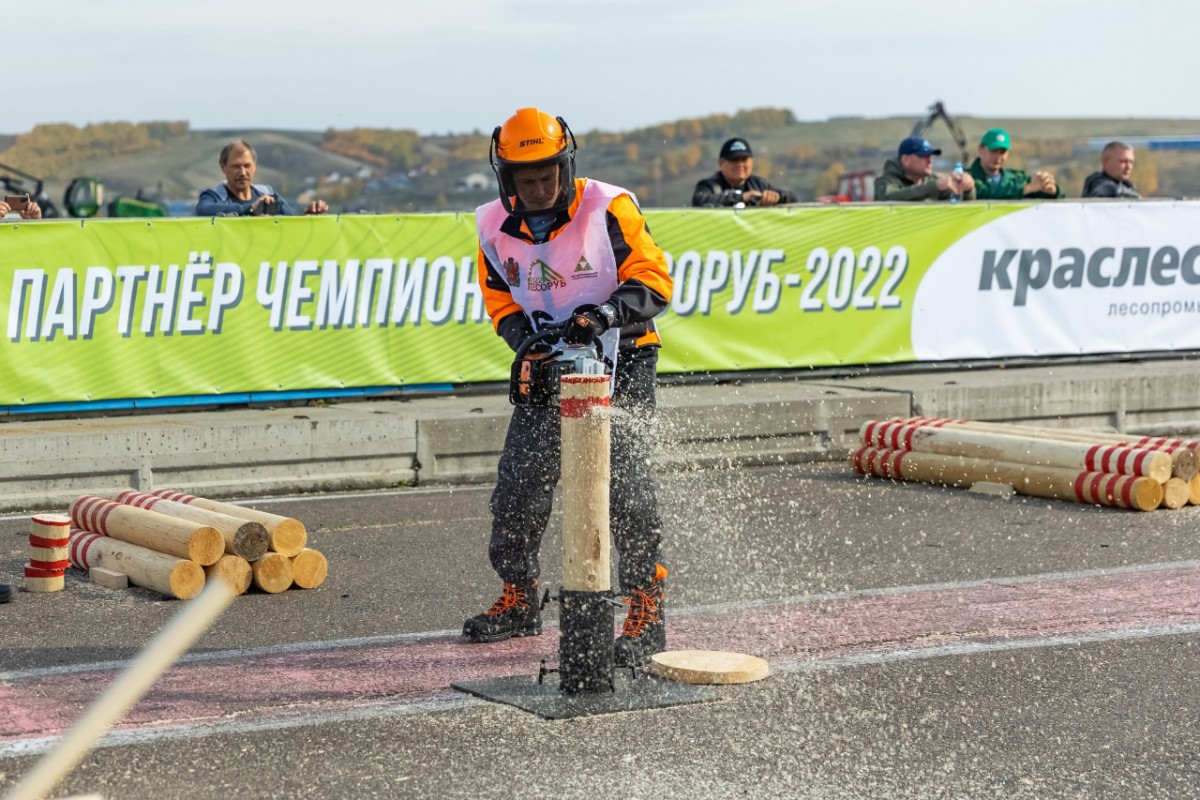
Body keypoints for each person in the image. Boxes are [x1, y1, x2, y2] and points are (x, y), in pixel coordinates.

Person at [465, 107, 674, 667]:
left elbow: (655, 279)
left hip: (622, 355)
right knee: (519, 484)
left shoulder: (609, 205)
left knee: (624, 487)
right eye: (524, 179)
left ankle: (645, 606)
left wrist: (605, 314)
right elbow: (501, 300)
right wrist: (523, 342)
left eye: (546, 175)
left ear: (565, 164)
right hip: (551, 360)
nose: (537, 188)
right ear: (506, 177)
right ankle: (519, 594)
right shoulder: (490, 225)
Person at [195, 140, 328, 216]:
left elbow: (293, 221)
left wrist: (309, 216)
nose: (242, 172)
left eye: (247, 166)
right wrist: (250, 208)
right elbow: (203, 210)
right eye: (236, 166)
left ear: (255, 167)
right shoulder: (214, 196)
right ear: (223, 167)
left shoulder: (267, 195)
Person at [691, 137, 797, 207]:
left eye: (744, 160)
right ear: (721, 163)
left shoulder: (760, 184)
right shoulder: (709, 185)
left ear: (752, 162)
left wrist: (776, 197)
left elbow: (792, 198)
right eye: (734, 160)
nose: (740, 164)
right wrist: (743, 197)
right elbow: (699, 200)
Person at [967, 128, 1063, 200]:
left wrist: (1050, 190)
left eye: (1002, 152)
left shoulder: (1018, 178)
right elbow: (985, 194)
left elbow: (1055, 199)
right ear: (980, 149)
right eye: (993, 151)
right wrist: (1025, 189)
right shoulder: (967, 178)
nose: (998, 157)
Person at [875, 136, 976, 202]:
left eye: (931, 156)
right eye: (923, 156)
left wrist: (967, 188)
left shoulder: (933, 181)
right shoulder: (886, 182)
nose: (929, 161)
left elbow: (963, 208)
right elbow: (888, 199)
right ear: (906, 159)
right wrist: (934, 187)